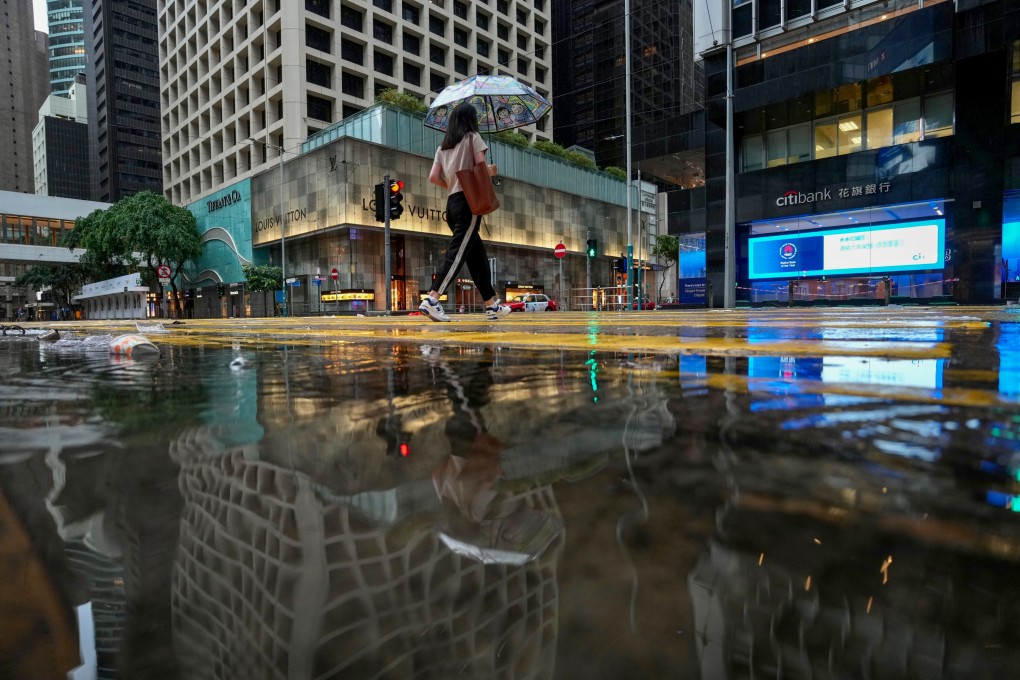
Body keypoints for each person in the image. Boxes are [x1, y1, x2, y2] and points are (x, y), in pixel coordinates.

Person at [419, 102, 511, 322]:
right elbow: (480, 168)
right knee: (457, 254)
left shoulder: (442, 148)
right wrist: (491, 170)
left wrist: (453, 186)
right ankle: (432, 299)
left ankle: (491, 305)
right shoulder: (473, 138)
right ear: (471, 120)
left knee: (476, 257)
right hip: (469, 204)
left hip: (452, 204)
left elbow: (433, 177)